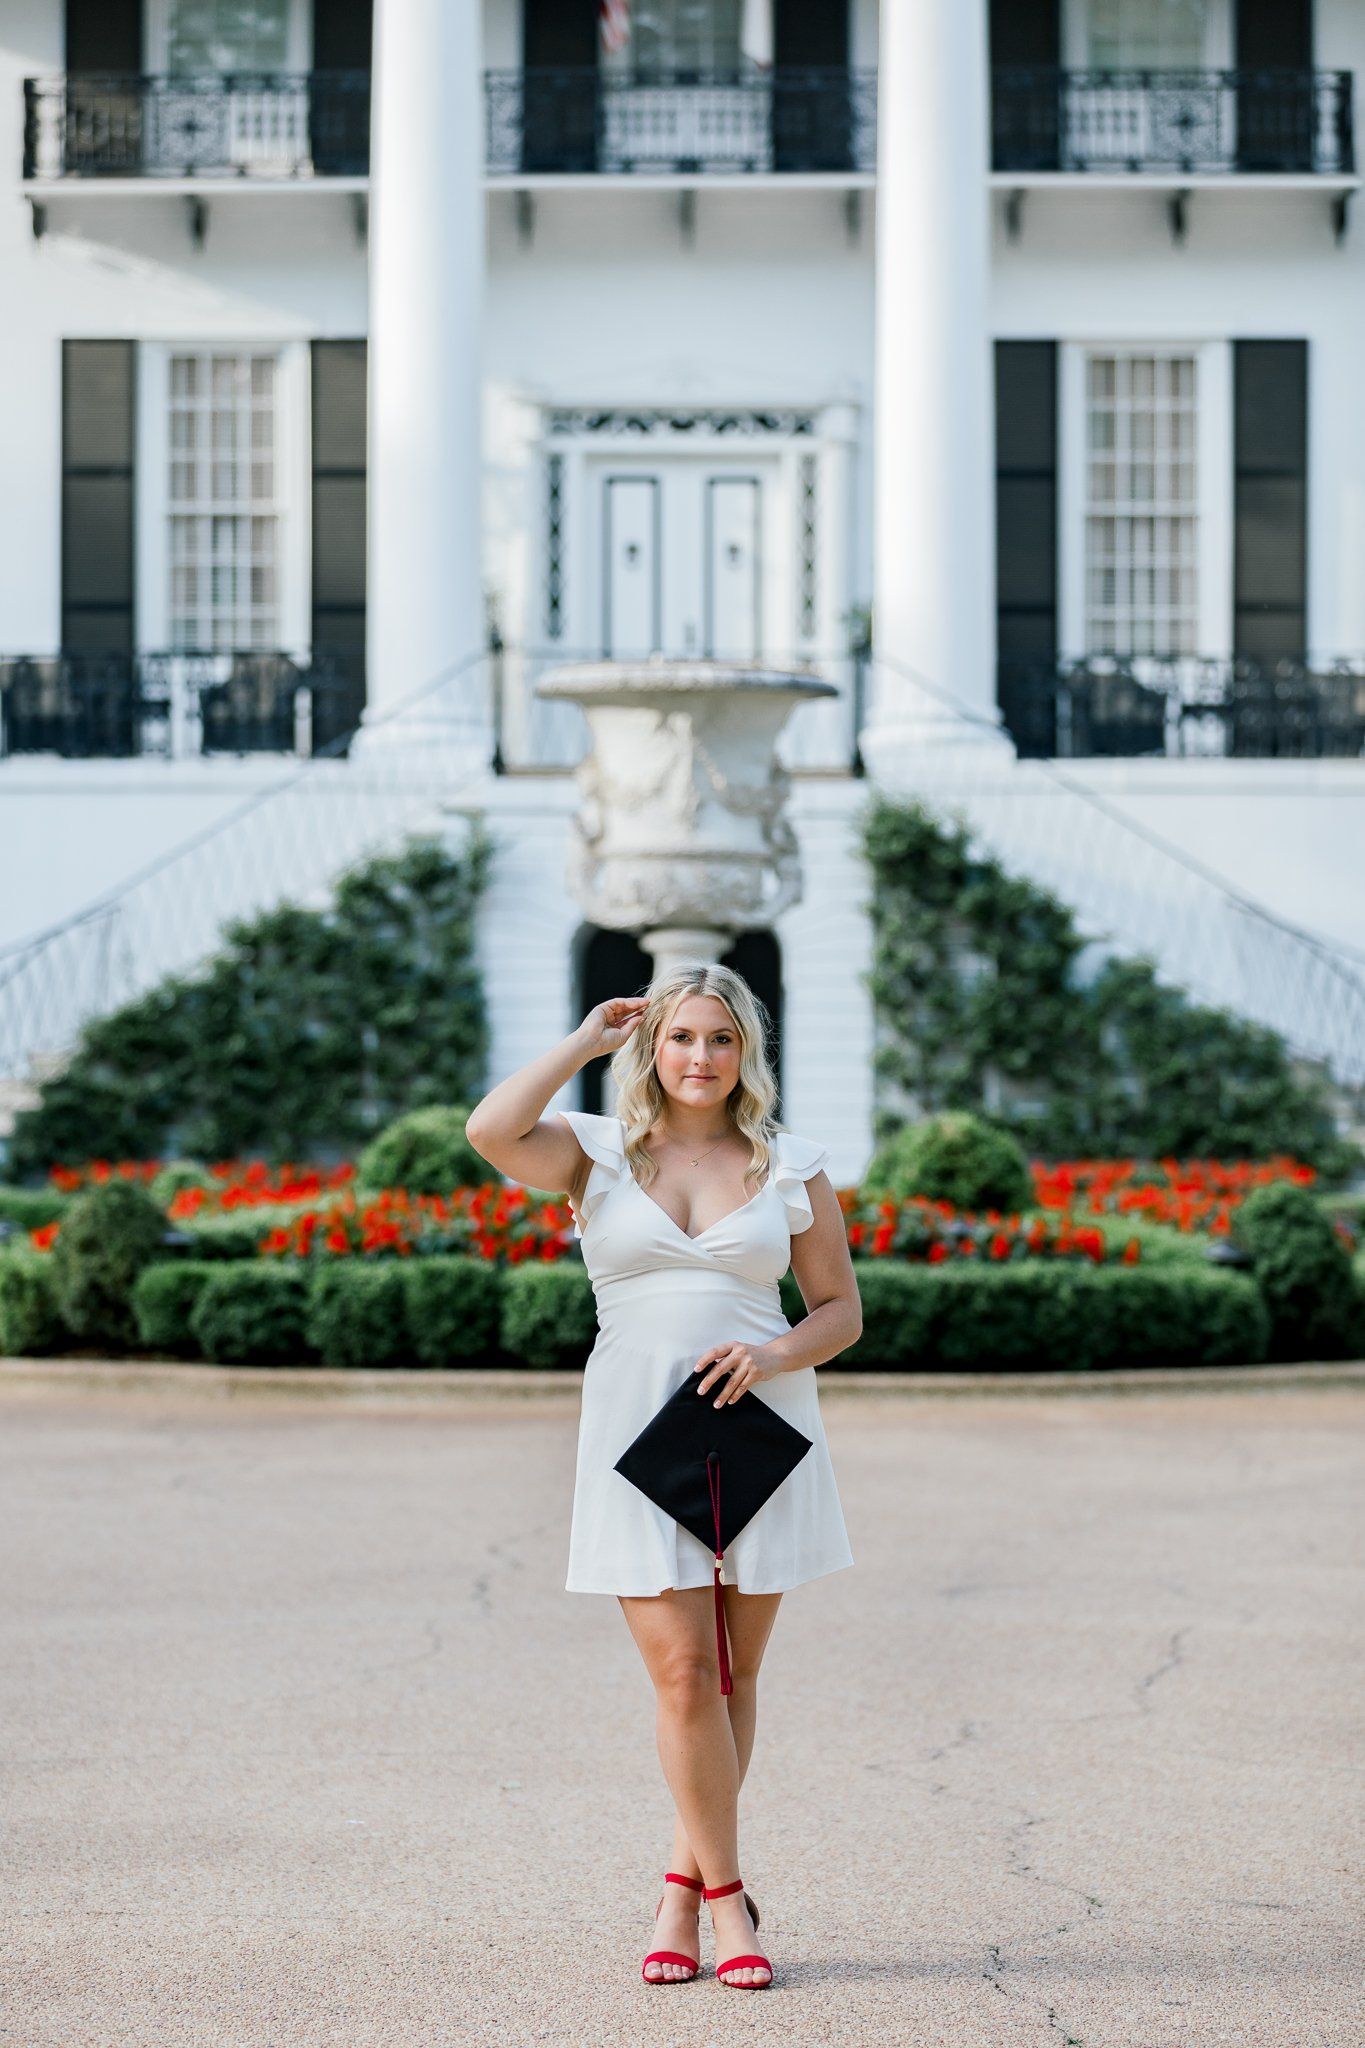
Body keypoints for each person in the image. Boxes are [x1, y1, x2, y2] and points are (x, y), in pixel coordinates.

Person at [464, 962, 860, 1990]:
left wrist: (773, 1354)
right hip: (637, 1437)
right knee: (684, 1672)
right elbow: (489, 1129)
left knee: (733, 1673)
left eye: (719, 1039)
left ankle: (682, 1883)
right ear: (654, 1046)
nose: (699, 1056)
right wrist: (583, 1045)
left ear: (746, 1053)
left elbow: (838, 1311)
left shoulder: (789, 1162)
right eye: (681, 1036)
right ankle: (731, 1901)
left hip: (760, 1427)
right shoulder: (592, 1151)